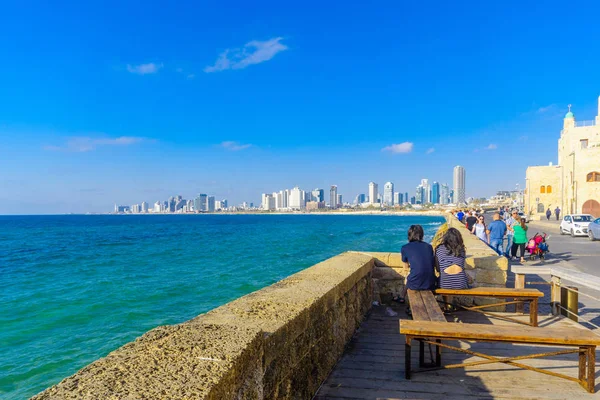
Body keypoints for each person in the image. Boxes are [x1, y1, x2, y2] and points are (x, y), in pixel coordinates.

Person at [395, 225, 436, 304]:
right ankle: (402, 296)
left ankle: (402, 296)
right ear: (421, 235)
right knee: (413, 276)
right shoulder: (429, 247)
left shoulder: (405, 248)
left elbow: (405, 267)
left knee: (410, 277)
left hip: (415, 283)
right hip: (430, 282)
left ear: (409, 235)